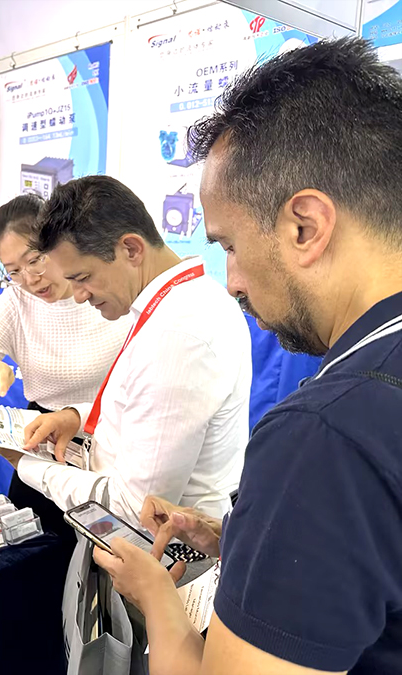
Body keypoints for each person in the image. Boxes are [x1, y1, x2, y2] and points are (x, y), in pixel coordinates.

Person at [92, 38, 402, 675]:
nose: (231, 281)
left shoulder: (323, 438)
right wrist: (246, 539)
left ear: (304, 226)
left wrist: (158, 600)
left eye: (230, 245)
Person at [21, 175, 251, 527]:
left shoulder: (178, 330)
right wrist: (77, 417)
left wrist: (28, 466)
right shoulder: (177, 303)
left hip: (163, 549)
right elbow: (144, 406)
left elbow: (137, 507)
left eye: (83, 278)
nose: (79, 296)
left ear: (131, 249)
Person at [0, 194, 131, 538]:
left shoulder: (102, 292)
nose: (30, 279)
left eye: (35, 260)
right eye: (14, 271)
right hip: (44, 439)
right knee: (36, 547)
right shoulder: (17, 300)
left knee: (107, 548)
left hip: (108, 437)